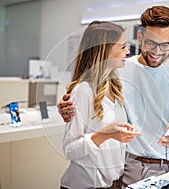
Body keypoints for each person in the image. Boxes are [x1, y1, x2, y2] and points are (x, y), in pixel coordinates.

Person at [58, 6, 169, 186]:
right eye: (150, 43)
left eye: (165, 45)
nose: (157, 51)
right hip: (126, 166)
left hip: (165, 168)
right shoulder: (118, 68)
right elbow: (88, 89)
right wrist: (67, 106)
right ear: (140, 37)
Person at [60, 21, 140, 189]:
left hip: (114, 183)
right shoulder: (83, 91)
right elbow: (69, 149)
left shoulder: (115, 87)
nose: (128, 51)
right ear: (104, 50)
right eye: (123, 47)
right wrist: (104, 135)